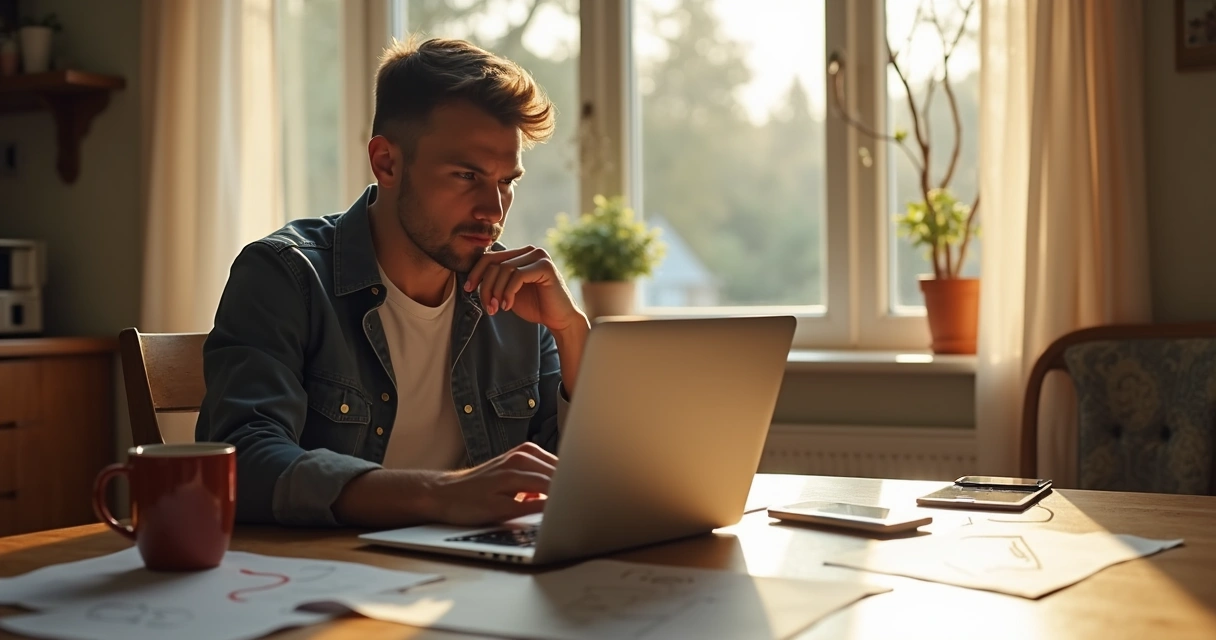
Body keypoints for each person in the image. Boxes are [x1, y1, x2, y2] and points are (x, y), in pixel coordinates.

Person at [196, 37, 590, 529]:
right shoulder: (285, 276)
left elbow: (584, 476)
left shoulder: (514, 297)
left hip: (476, 568)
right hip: (335, 566)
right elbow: (243, 460)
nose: (493, 210)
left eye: (507, 181)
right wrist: (441, 494)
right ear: (386, 162)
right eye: (466, 176)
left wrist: (571, 331)